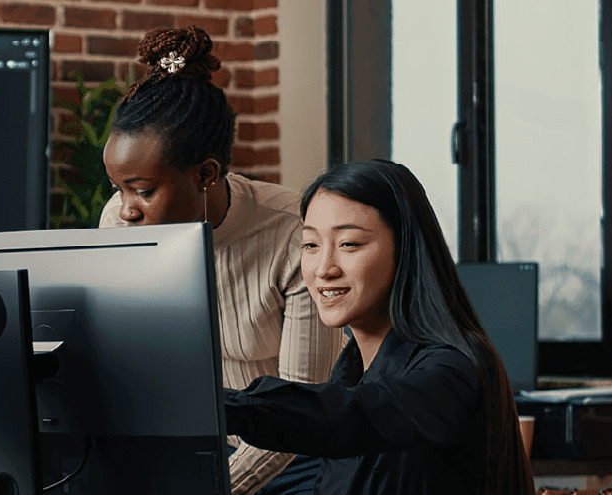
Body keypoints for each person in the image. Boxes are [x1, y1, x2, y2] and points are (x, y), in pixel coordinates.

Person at [96, 25, 345, 494]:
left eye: (144, 190)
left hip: (297, 456)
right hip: (192, 449)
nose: (126, 208)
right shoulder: (122, 223)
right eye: (119, 187)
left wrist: (210, 487)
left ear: (206, 174)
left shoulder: (294, 235)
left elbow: (299, 410)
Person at [223, 159, 534, 494]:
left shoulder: (454, 367)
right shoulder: (351, 370)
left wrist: (219, 406)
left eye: (349, 244)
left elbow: (360, 414)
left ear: (405, 250)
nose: (323, 268)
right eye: (311, 244)